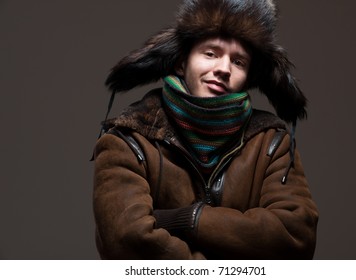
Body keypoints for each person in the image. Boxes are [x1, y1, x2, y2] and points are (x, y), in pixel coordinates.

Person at [92, 0, 318, 259]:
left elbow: (296, 235)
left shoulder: (271, 144)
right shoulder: (128, 139)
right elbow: (126, 240)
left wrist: (188, 219)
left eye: (239, 61)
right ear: (180, 62)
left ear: (249, 76)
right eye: (210, 54)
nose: (223, 69)